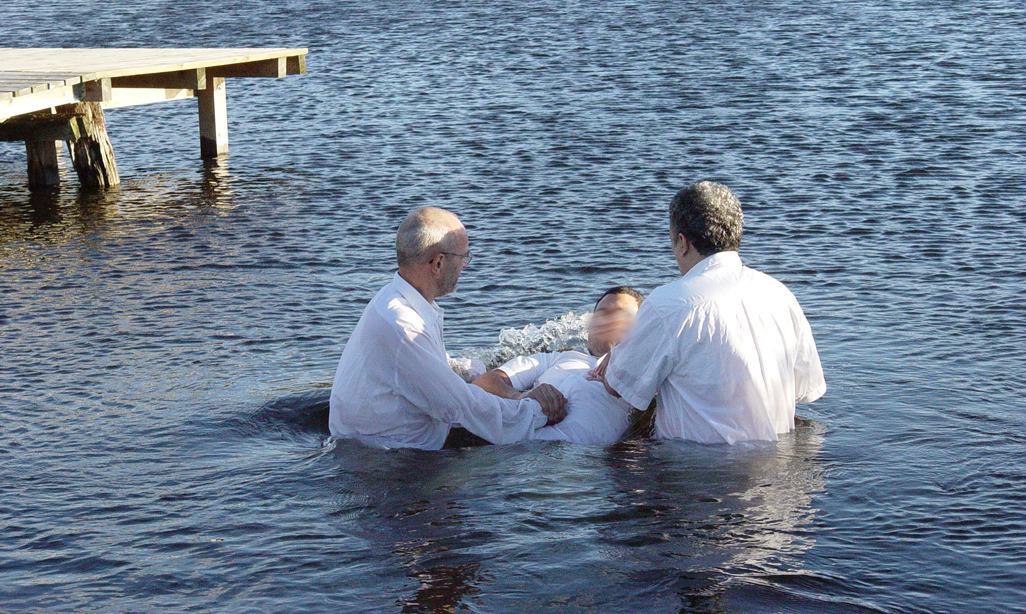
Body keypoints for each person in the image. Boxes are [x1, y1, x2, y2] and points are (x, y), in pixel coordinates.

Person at [589, 181, 826, 444]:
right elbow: (805, 390)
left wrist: (616, 357)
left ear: (682, 243)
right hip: (781, 471)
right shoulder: (781, 295)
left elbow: (618, 387)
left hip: (700, 471)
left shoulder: (668, 304)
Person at [328, 206, 567, 450]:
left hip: (375, 447)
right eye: (463, 257)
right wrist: (538, 411)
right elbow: (461, 407)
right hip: (391, 461)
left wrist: (483, 376)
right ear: (438, 262)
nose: (465, 266)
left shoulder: (395, 299)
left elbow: (437, 374)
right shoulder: (404, 327)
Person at [472, 286, 644, 445]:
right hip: (515, 448)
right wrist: (520, 396)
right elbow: (484, 382)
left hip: (578, 465)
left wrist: (620, 362)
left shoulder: (644, 371)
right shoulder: (555, 358)